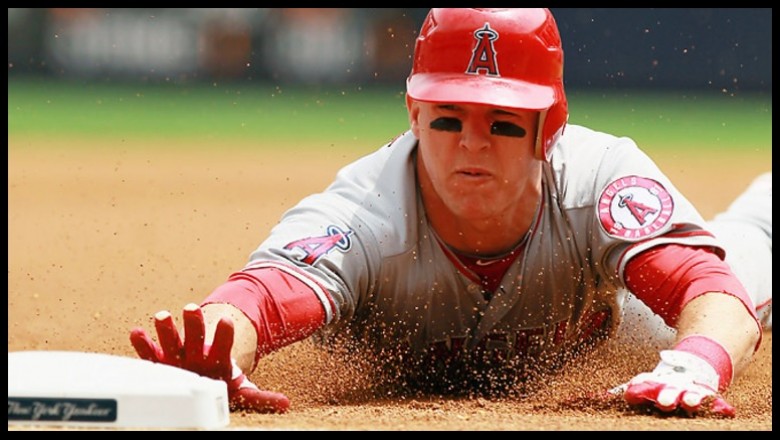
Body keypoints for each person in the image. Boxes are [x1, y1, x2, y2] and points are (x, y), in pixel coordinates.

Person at [130, 8, 772, 417]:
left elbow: (706, 287)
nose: (471, 143)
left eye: (502, 121)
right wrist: (220, 353)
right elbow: (260, 298)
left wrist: (696, 362)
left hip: (614, 331)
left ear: (549, 127)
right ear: (413, 114)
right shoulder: (364, 212)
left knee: (741, 261)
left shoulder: (597, 178)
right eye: (447, 118)